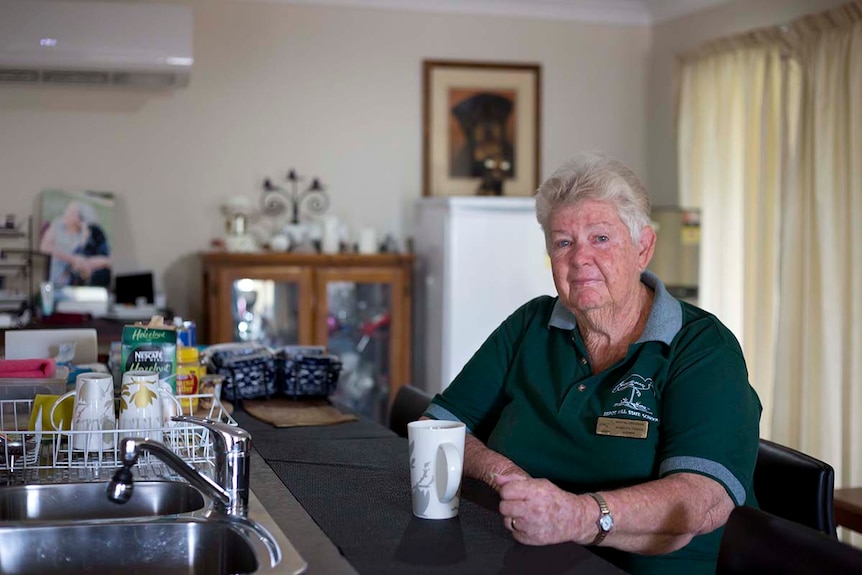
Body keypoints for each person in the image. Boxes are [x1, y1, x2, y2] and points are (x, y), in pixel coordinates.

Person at [422, 152, 762, 575]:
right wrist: (507, 476)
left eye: (600, 238)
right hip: (526, 557)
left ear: (643, 247)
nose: (580, 258)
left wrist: (577, 516)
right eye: (563, 242)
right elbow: (441, 425)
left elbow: (701, 500)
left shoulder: (702, 348)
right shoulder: (532, 324)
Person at [40, 200, 112, 288]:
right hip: (54, 276)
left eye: (71, 213)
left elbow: (104, 260)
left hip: (70, 281)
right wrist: (72, 259)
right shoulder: (58, 223)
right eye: (67, 210)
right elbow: (44, 247)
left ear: (79, 219)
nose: (65, 214)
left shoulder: (88, 234)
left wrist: (91, 263)